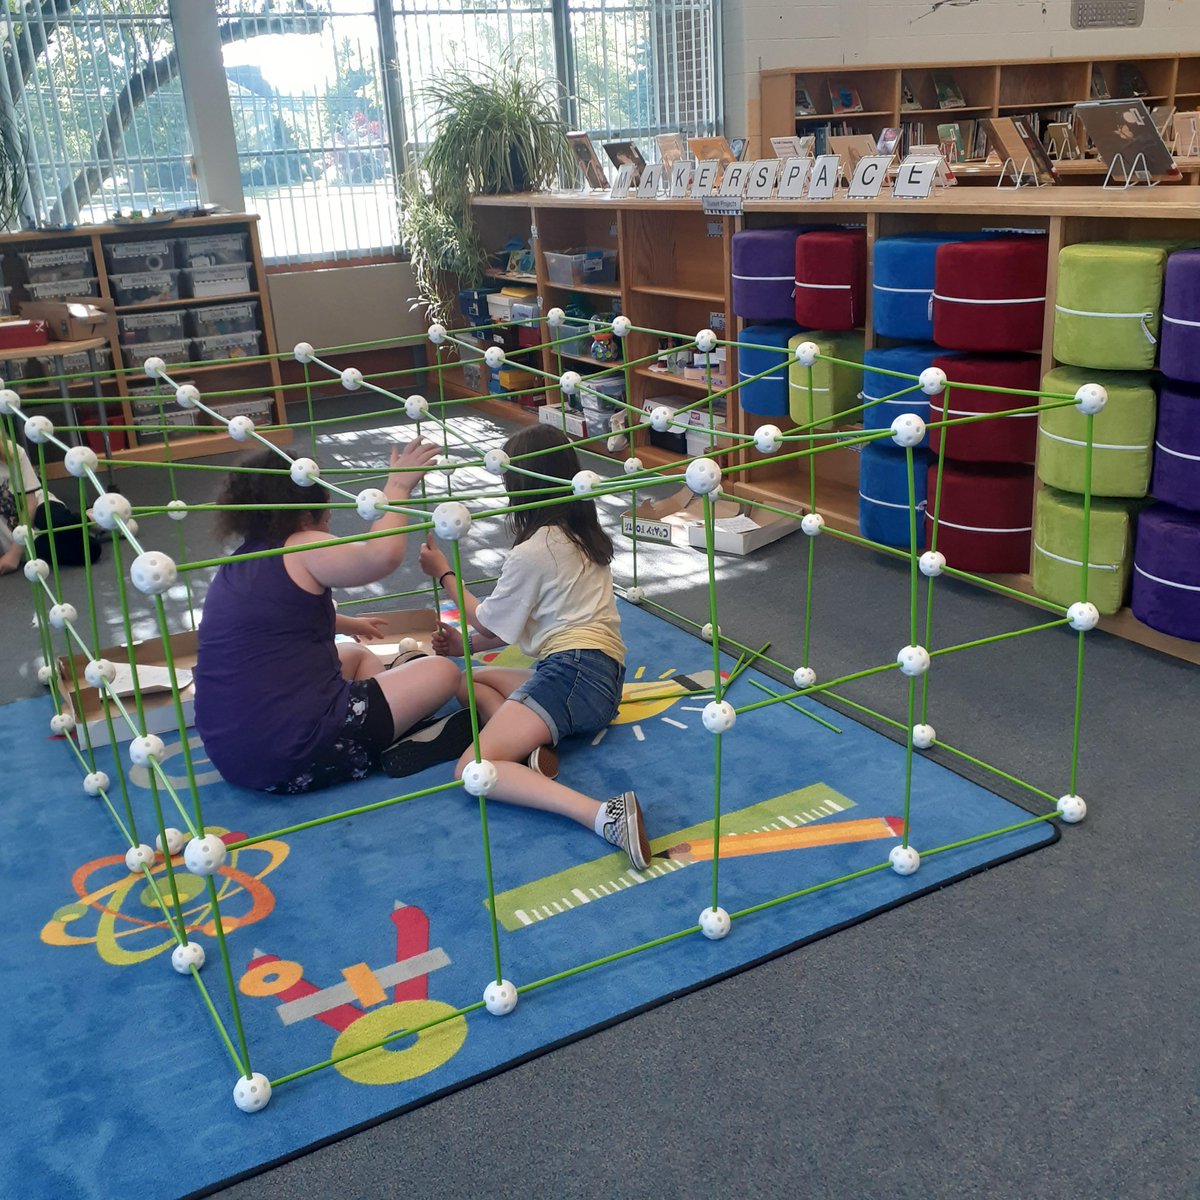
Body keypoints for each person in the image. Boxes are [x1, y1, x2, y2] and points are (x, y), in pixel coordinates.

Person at [418, 424, 651, 870]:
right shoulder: (580, 532)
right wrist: (462, 647)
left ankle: (604, 815)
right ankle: (528, 754)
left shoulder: (534, 551)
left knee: (472, 770)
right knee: (469, 682)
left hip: (574, 675)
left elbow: (488, 620)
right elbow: (505, 630)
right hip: (596, 681)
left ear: (520, 487)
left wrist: (444, 574)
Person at [194, 440, 466, 794]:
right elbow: (380, 556)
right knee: (444, 672)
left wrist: (348, 625)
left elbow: (275, 622)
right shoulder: (302, 545)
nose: (329, 522)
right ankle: (389, 738)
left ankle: (394, 725)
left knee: (354, 655)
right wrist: (397, 487)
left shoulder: (241, 561)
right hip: (293, 755)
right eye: (326, 515)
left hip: (234, 754)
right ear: (306, 517)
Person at [0, 433, 101, 574]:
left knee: (59, 522)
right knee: (90, 550)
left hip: (37, 506)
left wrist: (14, 554)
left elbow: (30, 502)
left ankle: (94, 518)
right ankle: (86, 528)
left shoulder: (12, 451)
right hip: (16, 536)